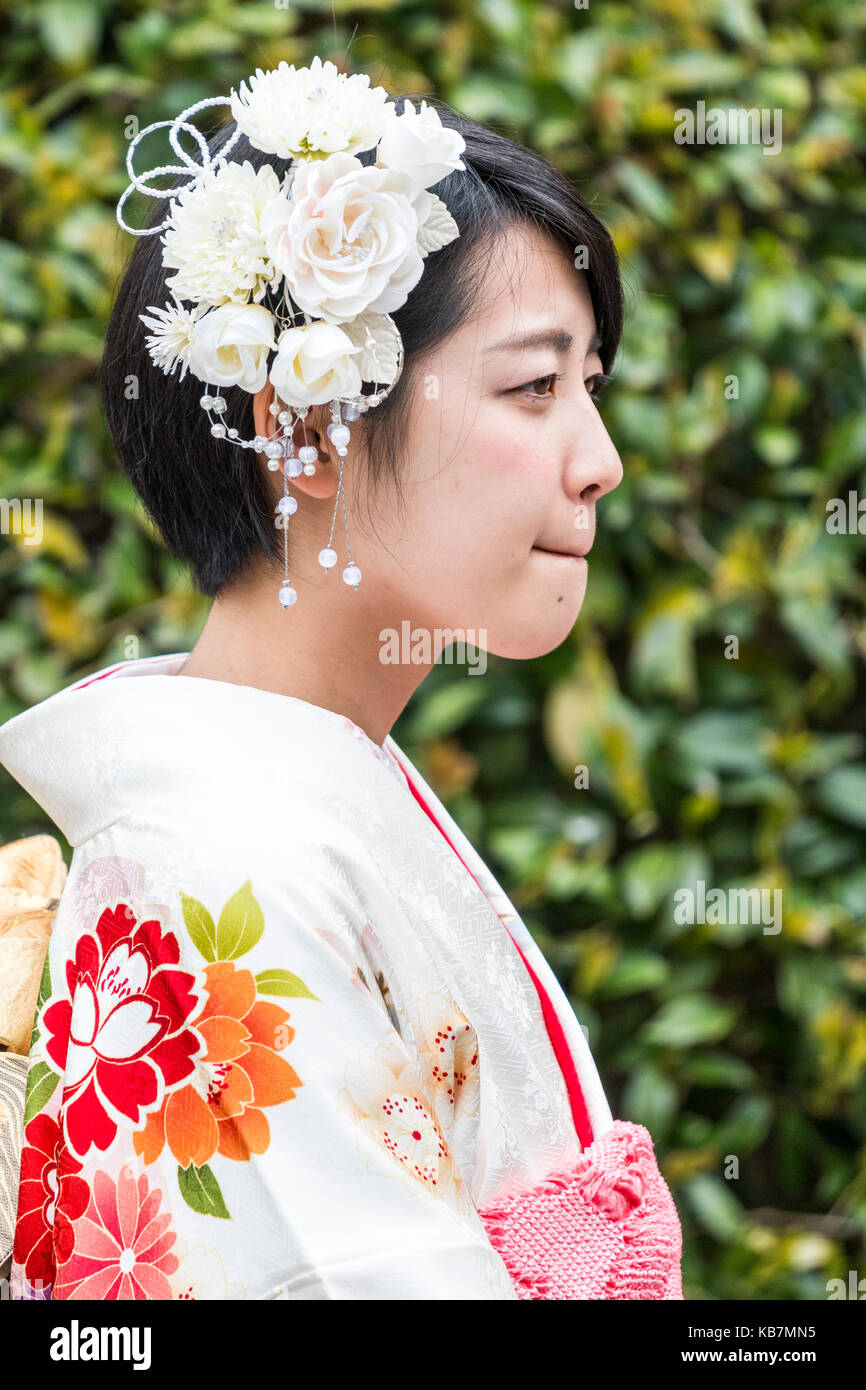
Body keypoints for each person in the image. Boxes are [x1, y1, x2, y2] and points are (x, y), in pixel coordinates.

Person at [0, 58, 683, 1300]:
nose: (600, 463)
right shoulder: (213, 856)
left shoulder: (295, 800)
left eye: (589, 387)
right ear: (304, 428)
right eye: (532, 387)